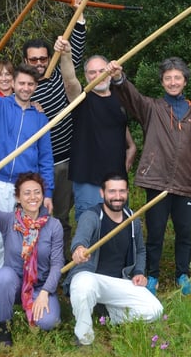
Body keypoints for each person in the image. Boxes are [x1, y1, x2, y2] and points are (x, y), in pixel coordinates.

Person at [107, 57, 191, 295]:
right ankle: (152, 275)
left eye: (177, 78)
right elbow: (132, 97)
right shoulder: (152, 108)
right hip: (157, 182)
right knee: (155, 233)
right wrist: (118, 78)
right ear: (162, 82)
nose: (173, 82)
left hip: (186, 184)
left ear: (185, 81)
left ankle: (182, 275)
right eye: (168, 78)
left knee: (184, 233)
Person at [0, 63, 54, 302]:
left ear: (35, 87)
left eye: (30, 84)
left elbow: (45, 158)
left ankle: (16, 292)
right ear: (14, 84)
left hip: (26, 189)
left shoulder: (40, 118)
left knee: (22, 241)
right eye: (22, 83)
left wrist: (47, 193)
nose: (26, 88)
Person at [56, 39, 136, 256]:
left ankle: (112, 270)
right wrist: (66, 53)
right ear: (86, 77)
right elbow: (69, 81)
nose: (97, 75)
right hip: (89, 178)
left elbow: (120, 125)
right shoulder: (82, 99)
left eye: (102, 71)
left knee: (116, 229)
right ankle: (84, 271)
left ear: (109, 73)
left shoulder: (119, 98)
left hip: (116, 180)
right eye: (92, 72)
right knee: (90, 229)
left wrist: (131, 147)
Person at [65, 174, 163, 347]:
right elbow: (80, 239)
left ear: (127, 192)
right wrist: (79, 249)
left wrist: (139, 272)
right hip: (92, 279)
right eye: (112, 191)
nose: (117, 196)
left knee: (155, 310)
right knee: (83, 284)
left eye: (121, 191)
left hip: (118, 283)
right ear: (102, 193)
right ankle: (84, 337)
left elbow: (140, 250)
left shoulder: (132, 219)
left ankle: (105, 315)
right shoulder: (92, 216)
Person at [0, 172, 63, 346]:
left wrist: (45, 293)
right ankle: (3, 326)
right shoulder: (9, 221)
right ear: (18, 198)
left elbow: (57, 264)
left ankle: (34, 304)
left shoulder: (54, 226)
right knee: (3, 277)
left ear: (42, 195)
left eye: (37, 192)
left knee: (49, 322)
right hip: (15, 284)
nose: (33, 197)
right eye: (27, 193)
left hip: (39, 286)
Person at [24, 5, 87, 247]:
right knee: (36, 215)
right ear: (26, 61)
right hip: (38, 163)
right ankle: (34, 260)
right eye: (34, 59)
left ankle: (60, 261)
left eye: (43, 58)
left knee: (60, 216)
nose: (39, 63)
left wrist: (79, 18)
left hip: (65, 161)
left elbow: (75, 52)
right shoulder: (24, 88)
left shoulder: (60, 76)